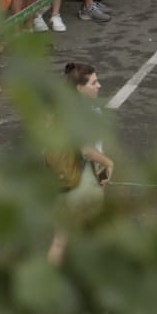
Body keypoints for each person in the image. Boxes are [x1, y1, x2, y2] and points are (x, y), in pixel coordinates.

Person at [47, 61, 115, 268]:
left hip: (60, 179)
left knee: (60, 240)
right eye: (94, 82)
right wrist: (108, 163)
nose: (99, 85)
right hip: (84, 179)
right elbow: (87, 149)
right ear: (79, 88)